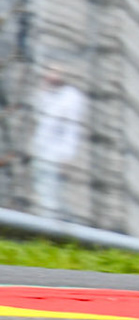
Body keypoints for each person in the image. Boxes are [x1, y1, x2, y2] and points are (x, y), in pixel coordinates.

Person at [31, 67, 88, 218]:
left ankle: (59, 231)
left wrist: (66, 157)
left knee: (51, 200)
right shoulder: (48, 93)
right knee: (44, 194)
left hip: (55, 155)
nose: (49, 76)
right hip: (41, 151)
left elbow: (72, 130)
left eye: (54, 72)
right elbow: (37, 112)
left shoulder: (71, 97)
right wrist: (42, 90)